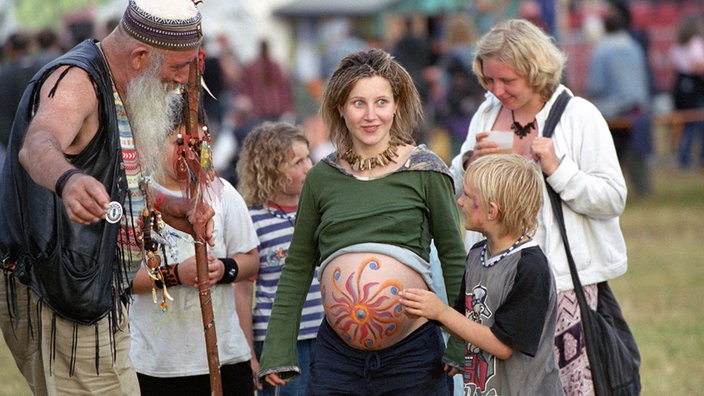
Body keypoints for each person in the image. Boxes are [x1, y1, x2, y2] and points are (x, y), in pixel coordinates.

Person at [0, 0, 215, 394]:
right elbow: (38, 145)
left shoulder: (127, 83)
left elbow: (120, 178)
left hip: (95, 289)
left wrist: (170, 206)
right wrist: (67, 180)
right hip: (58, 289)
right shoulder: (76, 81)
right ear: (140, 56)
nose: (187, 80)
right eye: (180, 67)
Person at [257, 48, 467, 395]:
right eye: (359, 104)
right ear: (340, 107)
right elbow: (297, 265)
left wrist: (461, 341)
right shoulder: (321, 178)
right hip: (338, 360)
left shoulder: (426, 170)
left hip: (413, 358)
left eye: (381, 102)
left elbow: (455, 259)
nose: (371, 116)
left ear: (397, 104)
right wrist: (278, 347)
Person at [449, 19, 628, 395]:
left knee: (565, 384)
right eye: (488, 80)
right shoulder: (486, 114)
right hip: (494, 281)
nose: (496, 91)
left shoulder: (579, 116)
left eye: (507, 81)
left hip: (561, 283)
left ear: (535, 70)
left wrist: (560, 171)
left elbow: (613, 197)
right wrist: (468, 161)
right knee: (500, 383)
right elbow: (459, 192)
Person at [400, 154, 563, 395]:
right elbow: (465, 322)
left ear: (492, 211)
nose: (459, 202)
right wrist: (427, 310)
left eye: (468, 196)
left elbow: (503, 345)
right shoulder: (477, 255)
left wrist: (441, 312)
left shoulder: (530, 267)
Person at [129, 112, 260, 395]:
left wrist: (224, 269)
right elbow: (124, 280)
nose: (190, 152)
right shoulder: (136, 198)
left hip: (225, 357)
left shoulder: (222, 193)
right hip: (160, 364)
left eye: (199, 142)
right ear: (152, 145)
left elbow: (250, 259)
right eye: (179, 142)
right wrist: (175, 274)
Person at [236, 121, 324, 395]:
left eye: (308, 156)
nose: (309, 167)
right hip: (281, 345)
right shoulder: (252, 220)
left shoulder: (319, 211)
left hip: (326, 338)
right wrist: (248, 352)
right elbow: (242, 290)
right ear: (269, 170)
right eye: (297, 162)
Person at [587, 0, 652, 197]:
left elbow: (596, 86)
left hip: (611, 111)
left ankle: (610, 188)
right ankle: (643, 189)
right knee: (636, 152)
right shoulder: (635, 47)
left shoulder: (602, 51)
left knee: (610, 151)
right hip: (638, 110)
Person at [670, 14, 704, 169]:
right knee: (694, 121)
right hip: (694, 85)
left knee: (685, 122)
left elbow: (673, 63)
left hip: (681, 83)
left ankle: (683, 156)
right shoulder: (695, 43)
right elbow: (697, 64)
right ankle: (689, 157)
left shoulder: (678, 44)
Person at [237, 39, 295, 123]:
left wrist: (288, 108)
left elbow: (284, 89)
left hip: (272, 111)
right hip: (261, 112)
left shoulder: (273, 67)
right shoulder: (254, 67)